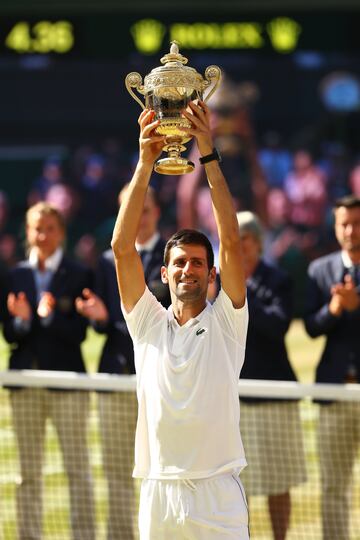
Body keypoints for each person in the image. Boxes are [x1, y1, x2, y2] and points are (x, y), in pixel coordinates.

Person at [111, 101, 249, 539]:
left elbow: (230, 237)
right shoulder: (147, 322)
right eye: (179, 263)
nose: (187, 270)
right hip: (158, 492)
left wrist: (207, 153)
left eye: (196, 263)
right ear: (164, 273)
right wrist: (144, 163)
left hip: (218, 492)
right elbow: (121, 247)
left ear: (212, 275)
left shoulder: (227, 323)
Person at [75, 184, 170, 540]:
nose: (138, 217)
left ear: (157, 212)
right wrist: (98, 317)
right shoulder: (104, 262)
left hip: (163, 381)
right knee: (116, 470)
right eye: (130, 209)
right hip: (116, 377)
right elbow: (106, 325)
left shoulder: (173, 254)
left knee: (164, 467)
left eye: (144, 209)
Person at [2, 202, 95, 540]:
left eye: (49, 228)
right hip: (25, 384)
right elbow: (10, 335)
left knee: (77, 469)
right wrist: (22, 319)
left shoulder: (78, 273)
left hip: (66, 384)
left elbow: (79, 333)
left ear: (61, 233)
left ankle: (83, 535)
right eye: (36, 229)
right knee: (28, 472)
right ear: (27, 233)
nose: (42, 235)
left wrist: (48, 317)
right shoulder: (15, 276)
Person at [237, 211, 306, 540]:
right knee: (237, 482)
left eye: (244, 240)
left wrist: (241, 294)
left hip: (275, 395)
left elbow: (277, 326)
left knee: (279, 480)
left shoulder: (278, 279)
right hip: (235, 397)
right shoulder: (219, 281)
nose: (237, 246)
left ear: (258, 243)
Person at [303, 195, 360, 540]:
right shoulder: (319, 270)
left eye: (357, 223)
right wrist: (335, 309)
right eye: (344, 224)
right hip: (334, 392)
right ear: (336, 227)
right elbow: (310, 327)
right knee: (333, 486)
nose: (351, 230)